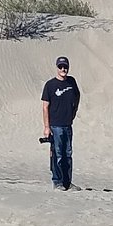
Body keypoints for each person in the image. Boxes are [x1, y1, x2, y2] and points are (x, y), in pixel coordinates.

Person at [41, 56, 81, 191]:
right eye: (61, 67)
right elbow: (45, 106)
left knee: (67, 154)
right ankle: (57, 181)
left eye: (65, 67)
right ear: (57, 68)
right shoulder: (50, 85)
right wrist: (47, 127)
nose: (63, 69)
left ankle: (67, 182)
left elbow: (78, 96)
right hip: (55, 126)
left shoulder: (71, 82)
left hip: (68, 125)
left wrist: (74, 112)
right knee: (57, 154)